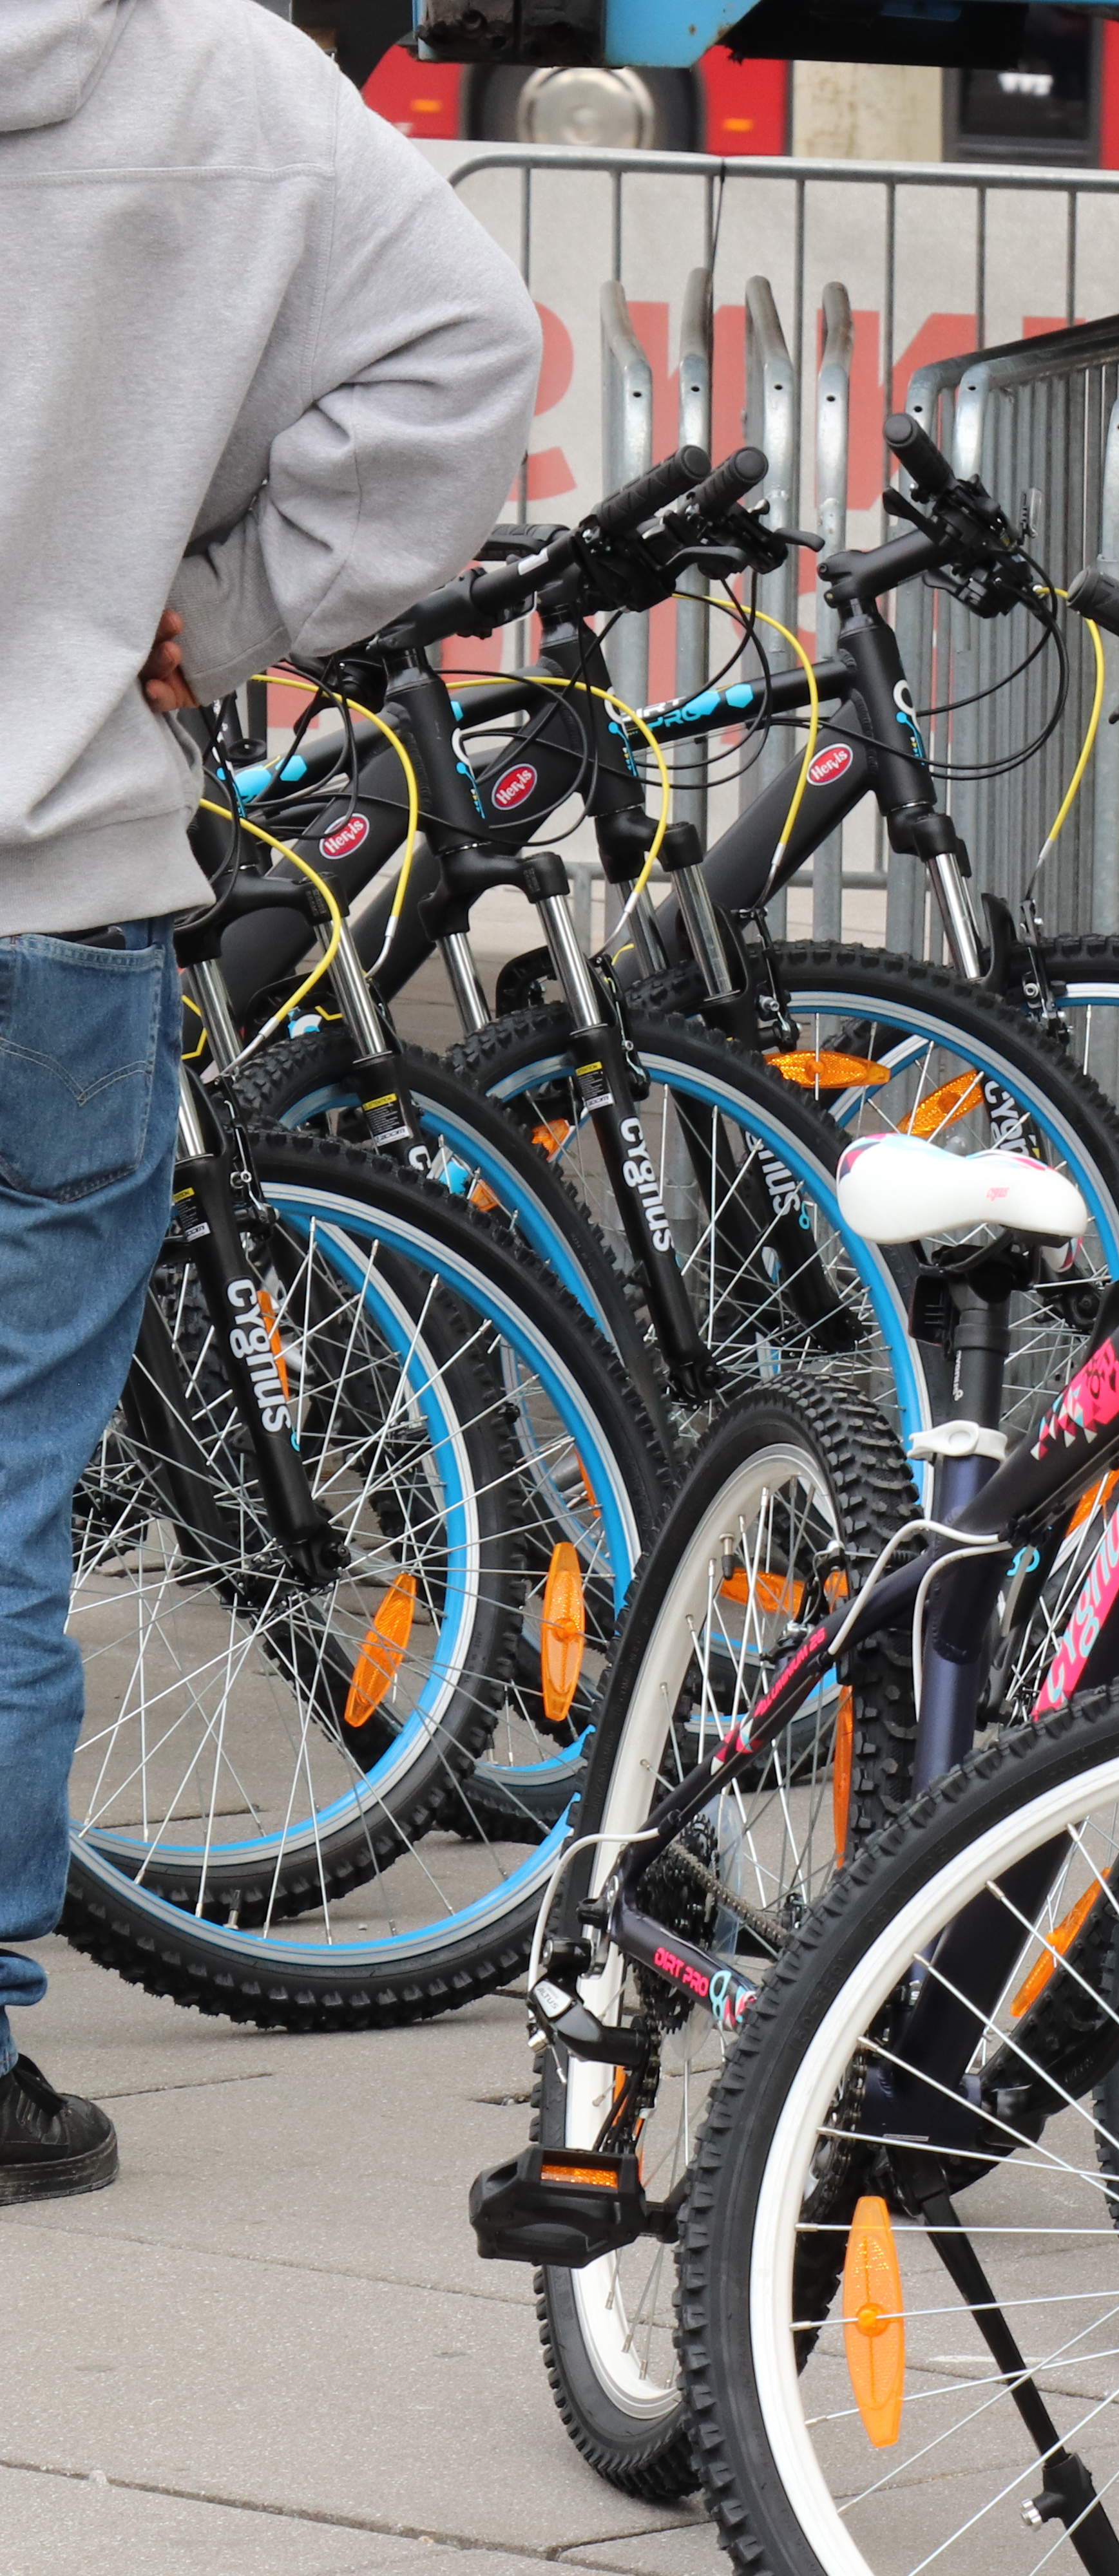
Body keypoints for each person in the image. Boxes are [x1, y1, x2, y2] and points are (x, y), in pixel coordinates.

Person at [0, 0, 541, 2202]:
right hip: (56, 886)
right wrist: (213, 613)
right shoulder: (217, 72)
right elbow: (468, 357)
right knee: (6, 1492)